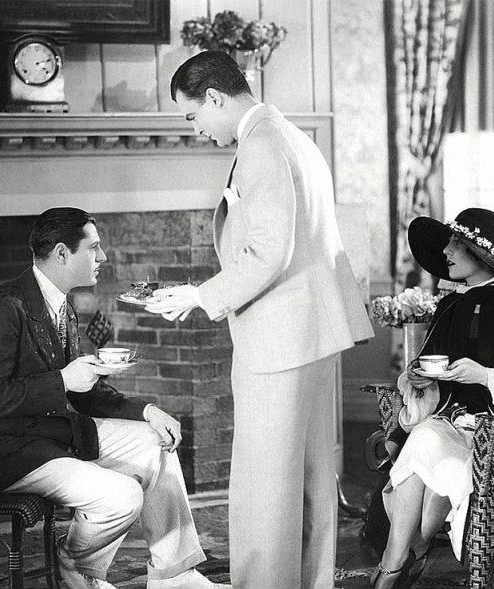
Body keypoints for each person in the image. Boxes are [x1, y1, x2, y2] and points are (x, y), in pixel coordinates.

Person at [145, 51, 374, 588]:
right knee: (309, 481)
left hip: (280, 340)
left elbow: (270, 251)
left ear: (215, 98)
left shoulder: (262, 144)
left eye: (193, 115)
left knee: (265, 486)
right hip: (312, 333)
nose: (196, 128)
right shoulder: (291, 136)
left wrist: (200, 295)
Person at [0, 207, 229, 589]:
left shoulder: (62, 305)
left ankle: (175, 575)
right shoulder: (2, 307)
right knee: (123, 496)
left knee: (156, 441)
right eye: (94, 247)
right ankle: (76, 565)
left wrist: (148, 412)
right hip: (7, 452)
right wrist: (63, 379)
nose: (103, 257)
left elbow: (84, 393)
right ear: (62, 253)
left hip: (51, 436)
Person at [371, 208, 494, 588]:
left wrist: (486, 377)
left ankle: (395, 564)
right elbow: (432, 370)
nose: (446, 251)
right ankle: (401, 558)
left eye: (457, 243)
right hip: (450, 424)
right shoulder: (451, 306)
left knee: (430, 457)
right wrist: (419, 379)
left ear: (481, 254)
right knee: (425, 438)